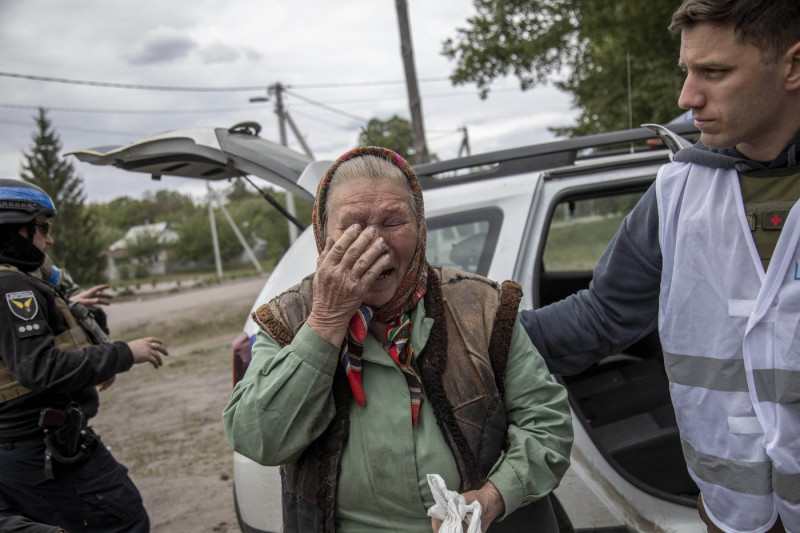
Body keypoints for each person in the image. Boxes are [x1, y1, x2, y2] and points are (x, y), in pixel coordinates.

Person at [519, 1, 800, 532]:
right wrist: (463, 327)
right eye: (688, 71)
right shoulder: (678, 191)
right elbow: (602, 317)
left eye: (714, 72)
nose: (687, 97)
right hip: (735, 515)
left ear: (792, 66)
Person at [223, 147, 573, 532]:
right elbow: (258, 440)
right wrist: (326, 321)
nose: (375, 243)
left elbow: (547, 424)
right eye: (353, 225)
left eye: (393, 221)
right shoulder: (289, 317)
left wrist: (491, 498)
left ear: (421, 227)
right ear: (324, 234)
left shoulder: (482, 307)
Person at [0, 179, 169, 532]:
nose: (50, 239)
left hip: (28, 448)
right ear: (14, 228)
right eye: (43, 227)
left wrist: (74, 310)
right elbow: (39, 367)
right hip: (41, 450)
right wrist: (126, 353)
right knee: (123, 521)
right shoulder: (12, 288)